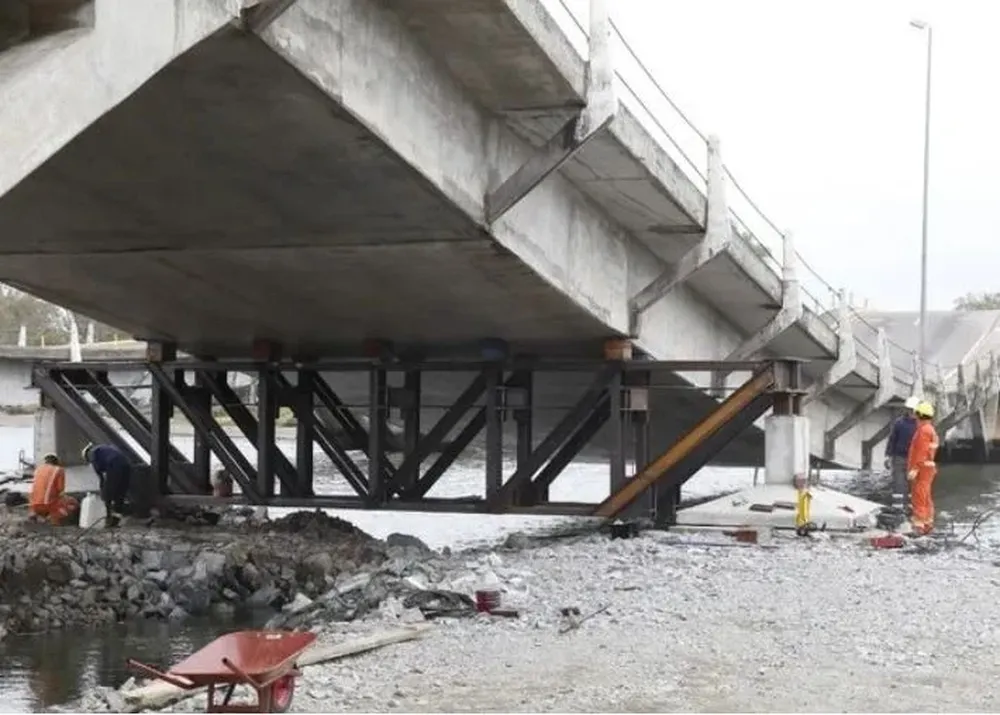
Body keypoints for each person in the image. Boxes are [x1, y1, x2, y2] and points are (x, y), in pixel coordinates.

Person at [907, 401, 939, 535]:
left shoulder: (923, 431)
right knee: (925, 496)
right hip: (928, 468)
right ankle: (927, 522)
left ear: (920, 415)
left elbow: (920, 451)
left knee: (919, 495)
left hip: (922, 468)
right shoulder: (931, 430)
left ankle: (919, 524)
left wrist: (915, 468)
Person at [884, 395, 920, 514]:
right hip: (904, 458)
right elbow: (892, 440)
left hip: (907, 459)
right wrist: (888, 457)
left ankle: (903, 509)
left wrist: (888, 456)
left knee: (905, 485)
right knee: (903, 485)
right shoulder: (919, 425)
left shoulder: (900, 422)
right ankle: (903, 510)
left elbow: (892, 440)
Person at [82, 443, 132, 517]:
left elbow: (101, 477)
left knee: (109, 491)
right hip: (126, 463)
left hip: (114, 463)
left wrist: (103, 492)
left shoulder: (93, 453)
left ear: (87, 455)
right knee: (121, 490)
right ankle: (117, 514)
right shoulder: (104, 448)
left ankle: (107, 515)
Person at [28, 453, 78, 525]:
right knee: (73, 503)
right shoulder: (59, 470)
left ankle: (35, 514)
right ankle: (53, 518)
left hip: (34, 505)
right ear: (56, 462)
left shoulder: (37, 470)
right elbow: (61, 492)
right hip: (48, 505)